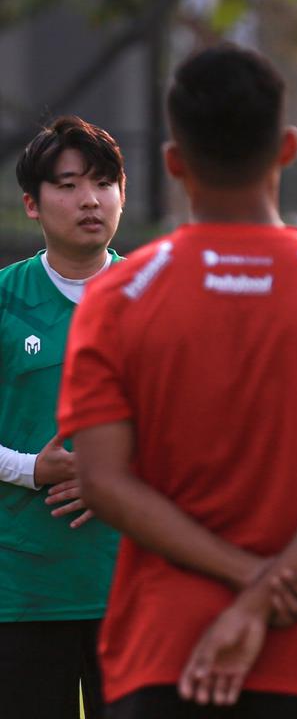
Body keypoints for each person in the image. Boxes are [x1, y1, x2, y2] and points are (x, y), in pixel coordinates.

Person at [57, 44, 297, 718]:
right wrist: (263, 593)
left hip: (161, 653)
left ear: (173, 161)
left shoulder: (117, 298)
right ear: (288, 148)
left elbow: (102, 481)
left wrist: (246, 581)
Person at [0, 115, 126, 719]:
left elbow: (209, 433)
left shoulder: (158, 297)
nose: (90, 200)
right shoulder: (5, 299)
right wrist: (31, 469)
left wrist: (119, 475)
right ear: (32, 203)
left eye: (103, 183)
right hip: (22, 591)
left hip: (136, 586)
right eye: (69, 185)